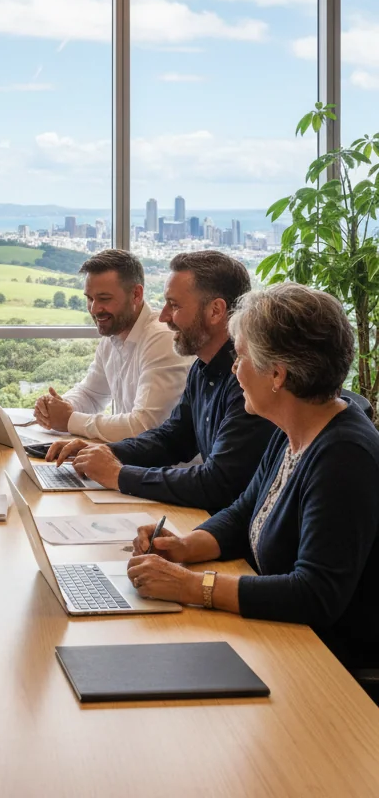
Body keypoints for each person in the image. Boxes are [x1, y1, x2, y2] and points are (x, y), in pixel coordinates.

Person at [127, 283, 379, 671]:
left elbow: (315, 594)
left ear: (277, 374)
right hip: (281, 640)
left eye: (240, 356)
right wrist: (184, 547)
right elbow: (244, 511)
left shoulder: (344, 456)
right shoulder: (294, 427)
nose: (234, 369)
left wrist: (194, 586)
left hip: (327, 667)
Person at [47, 250, 274, 512]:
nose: (164, 316)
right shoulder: (202, 367)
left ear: (215, 311)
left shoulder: (248, 380)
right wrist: (110, 453)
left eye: (174, 306)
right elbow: (172, 438)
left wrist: (118, 476)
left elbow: (218, 484)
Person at [32, 249, 190, 442]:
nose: (95, 309)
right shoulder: (112, 336)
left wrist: (69, 420)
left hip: (166, 470)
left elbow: (145, 426)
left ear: (136, 295)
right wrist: (58, 407)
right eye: (89, 298)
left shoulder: (162, 338)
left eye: (104, 299)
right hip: (132, 463)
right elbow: (91, 394)